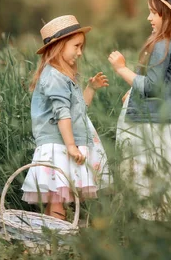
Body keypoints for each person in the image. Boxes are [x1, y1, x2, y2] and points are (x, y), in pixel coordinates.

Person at [108, 0, 171, 221]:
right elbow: (167, 84)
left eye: (153, 13)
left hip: (154, 123)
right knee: (168, 171)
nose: (149, 18)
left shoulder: (162, 45)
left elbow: (152, 87)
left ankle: (152, 222)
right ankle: (166, 221)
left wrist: (121, 69)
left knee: (151, 171)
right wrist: (133, 91)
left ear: (168, 16)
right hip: (169, 119)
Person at [22, 15, 112, 220]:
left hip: (63, 144)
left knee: (58, 198)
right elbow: (62, 114)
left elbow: (78, 110)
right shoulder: (54, 76)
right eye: (76, 46)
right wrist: (71, 146)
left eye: (82, 47)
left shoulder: (65, 77)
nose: (80, 52)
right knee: (58, 199)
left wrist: (90, 88)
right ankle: (57, 243)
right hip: (59, 146)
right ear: (59, 46)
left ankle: (49, 239)